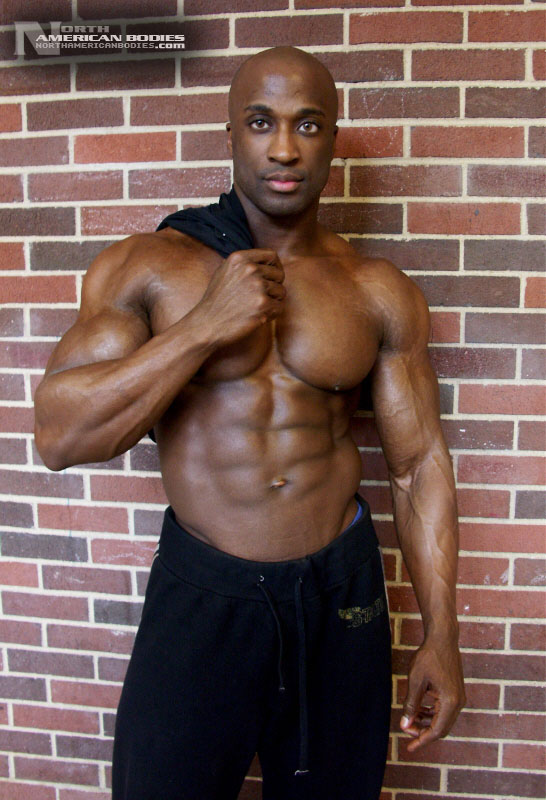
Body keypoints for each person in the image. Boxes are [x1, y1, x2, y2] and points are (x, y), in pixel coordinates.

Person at [34, 46, 465, 800]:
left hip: (341, 597)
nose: (285, 148)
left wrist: (442, 633)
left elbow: (417, 465)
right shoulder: (149, 268)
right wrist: (204, 328)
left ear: (333, 139)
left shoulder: (376, 289)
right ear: (230, 133)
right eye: (261, 122)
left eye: (309, 124)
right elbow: (59, 437)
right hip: (204, 598)